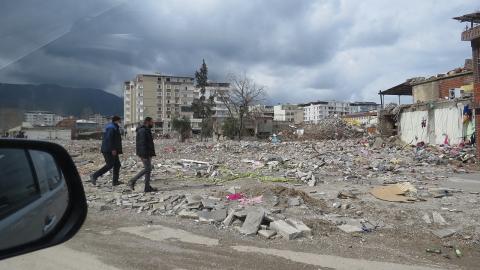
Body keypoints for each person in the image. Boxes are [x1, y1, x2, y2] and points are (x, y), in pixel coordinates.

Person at [90, 115, 123, 186]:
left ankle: (115, 182)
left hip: (113, 150)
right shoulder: (111, 128)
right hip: (108, 150)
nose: (121, 121)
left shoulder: (114, 127)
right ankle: (94, 176)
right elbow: (109, 139)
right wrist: (113, 149)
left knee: (117, 165)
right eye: (120, 120)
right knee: (110, 165)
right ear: (116, 120)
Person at [128, 117, 157, 192]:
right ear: (147, 122)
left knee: (148, 170)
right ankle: (132, 180)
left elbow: (148, 143)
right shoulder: (142, 130)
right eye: (152, 122)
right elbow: (141, 144)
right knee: (148, 169)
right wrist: (144, 156)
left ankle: (147, 187)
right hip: (144, 153)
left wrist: (151, 154)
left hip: (148, 153)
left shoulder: (146, 130)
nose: (153, 123)